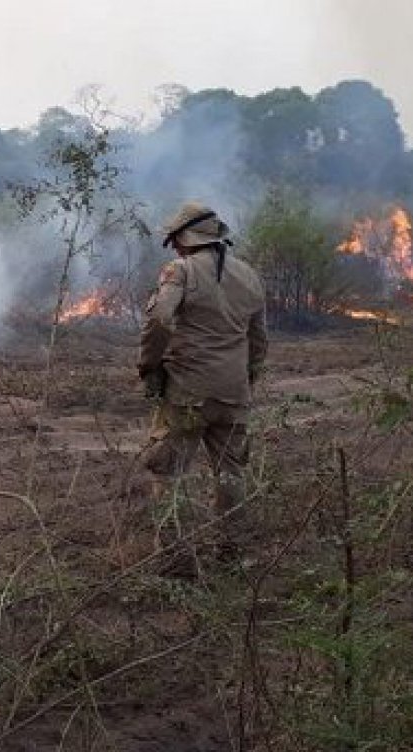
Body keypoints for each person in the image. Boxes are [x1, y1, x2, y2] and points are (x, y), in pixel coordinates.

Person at [139, 202, 268, 553]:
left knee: (167, 472)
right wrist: (246, 380)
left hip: (187, 392)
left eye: (175, 240)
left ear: (184, 237)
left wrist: (149, 365)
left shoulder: (179, 271)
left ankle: (174, 556)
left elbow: (160, 320)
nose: (175, 247)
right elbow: (259, 342)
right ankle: (232, 550)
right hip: (233, 392)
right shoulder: (249, 275)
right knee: (230, 473)